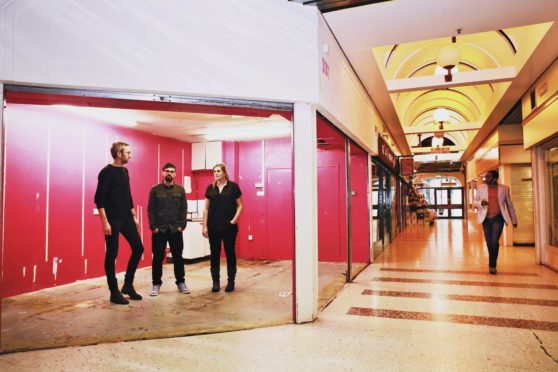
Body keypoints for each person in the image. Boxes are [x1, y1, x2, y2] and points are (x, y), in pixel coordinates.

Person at [94, 142, 144, 305]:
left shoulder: (124, 171)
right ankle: (114, 292)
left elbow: (127, 195)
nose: (131, 155)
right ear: (119, 153)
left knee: (138, 248)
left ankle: (128, 285)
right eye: (128, 152)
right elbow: (99, 199)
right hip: (113, 219)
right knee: (112, 254)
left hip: (127, 218)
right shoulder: (106, 172)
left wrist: (134, 215)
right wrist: (104, 222)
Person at [147, 162, 189, 296]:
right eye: (167, 171)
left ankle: (181, 282)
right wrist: (153, 227)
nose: (169, 173)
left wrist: (182, 226)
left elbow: (184, 208)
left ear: (175, 173)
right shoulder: (155, 189)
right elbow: (150, 209)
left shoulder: (180, 190)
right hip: (160, 230)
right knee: (158, 258)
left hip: (175, 229)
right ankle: (156, 284)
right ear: (162, 173)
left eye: (172, 171)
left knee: (178, 257)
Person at [202, 163, 244, 292]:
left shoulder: (233, 187)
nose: (216, 173)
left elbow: (240, 205)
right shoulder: (210, 188)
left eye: (218, 171)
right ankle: (216, 282)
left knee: (230, 254)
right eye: (214, 171)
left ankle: (231, 282)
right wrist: (204, 226)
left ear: (224, 173)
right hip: (213, 227)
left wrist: (233, 221)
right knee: (214, 255)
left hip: (229, 227)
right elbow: (206, 208)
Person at [473, 170, 517, 275]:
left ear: (494, 178)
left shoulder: (504, 189)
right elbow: (475, 201)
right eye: (485, 177)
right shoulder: (481, 188)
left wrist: (514, 219)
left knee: (494, 241)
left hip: (498, 218)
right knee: (489, 243)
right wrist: (481, 203)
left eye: (488, 177)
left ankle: (492, 265)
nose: (486, 179)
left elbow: (509, 205)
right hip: (486, 219)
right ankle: (492, 263)